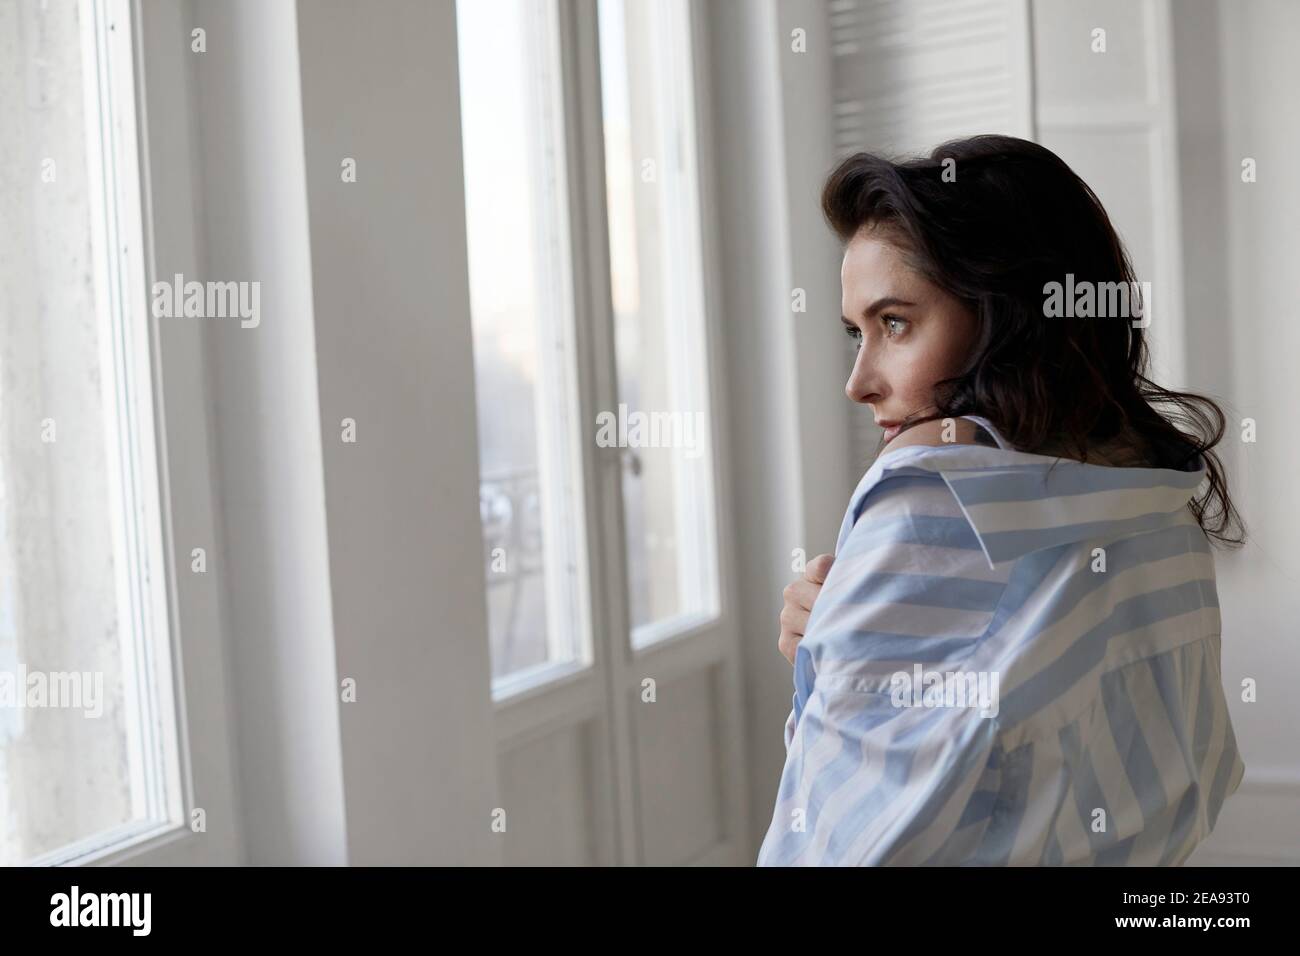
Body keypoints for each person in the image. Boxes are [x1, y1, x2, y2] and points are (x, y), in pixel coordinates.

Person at [759, 135, 1246, 866]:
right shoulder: (1162, 500)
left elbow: (832, 837)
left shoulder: (925, 494)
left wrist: (820, 676)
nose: (858, 381)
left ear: (1007, 316)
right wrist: (832, 652)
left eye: (895, 324)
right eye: (856, 333)